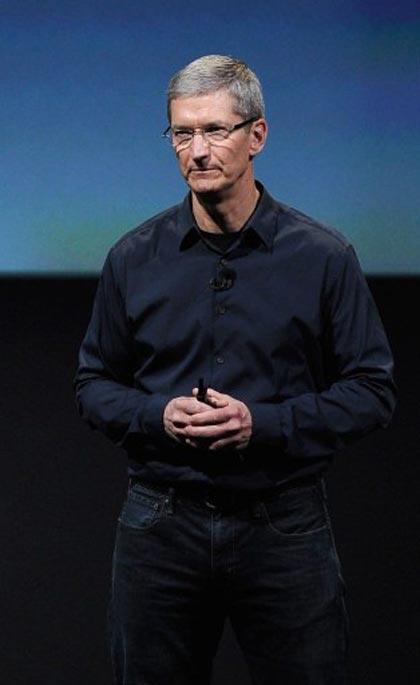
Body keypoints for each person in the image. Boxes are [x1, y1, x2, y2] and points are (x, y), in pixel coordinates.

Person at [74, 55, 396, 685]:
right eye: (182, 133)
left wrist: (262, 425)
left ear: (258, 135)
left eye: (215, 130)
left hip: (282, 523)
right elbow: (93, 385)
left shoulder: (323, 257)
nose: (197, 151)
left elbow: (372, 391)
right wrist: (157, 414)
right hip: (161, 523)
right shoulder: (133, 258)